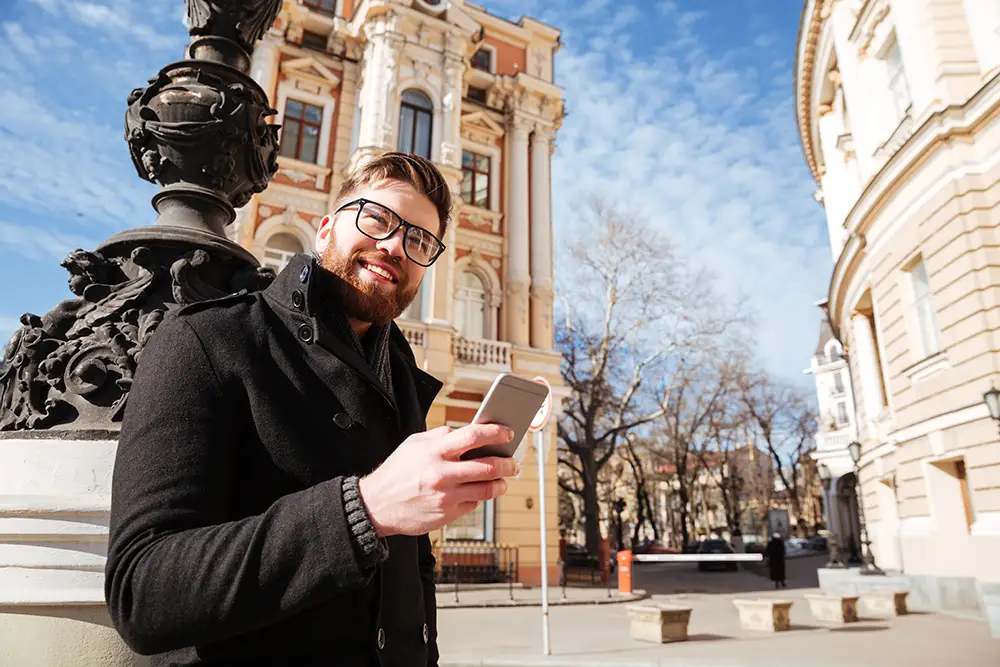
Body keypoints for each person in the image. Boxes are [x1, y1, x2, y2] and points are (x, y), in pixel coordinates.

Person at [105, 153, 520, 666]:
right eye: (378, 218)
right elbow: (142, 593)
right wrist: (363, 511)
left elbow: (414, 569)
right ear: (324, 230)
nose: (395, 246)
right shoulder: (208, 339)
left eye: (418, 240)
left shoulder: (402, 374)